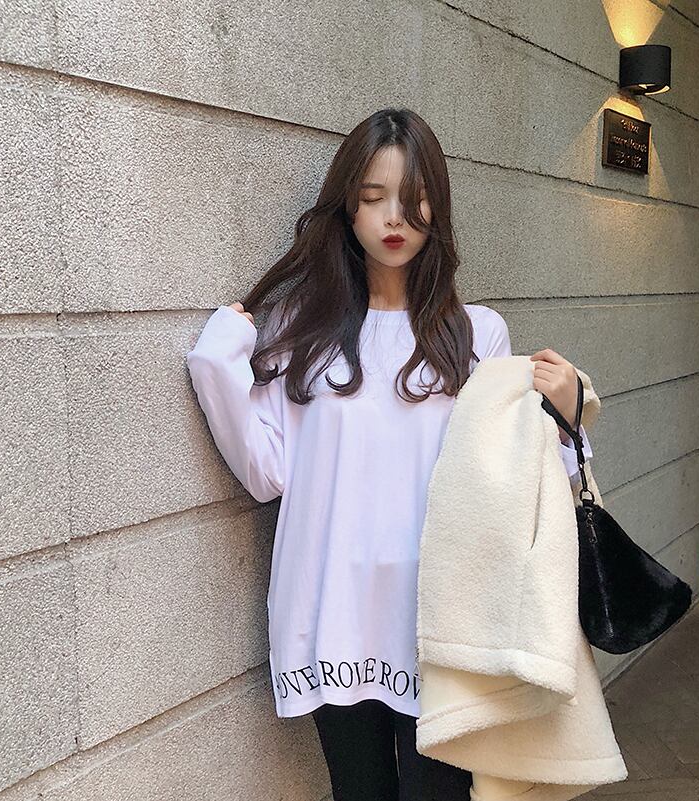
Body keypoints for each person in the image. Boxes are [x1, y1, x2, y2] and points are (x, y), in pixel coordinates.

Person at [186, 108, 593, 801]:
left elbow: (517, 484)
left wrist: (566, 418)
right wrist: (217, 357)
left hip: (444, 619)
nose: (393, 218)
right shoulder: (301, 328)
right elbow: (264, 471)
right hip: (334, 611)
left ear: (438, 206)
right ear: (347, 208)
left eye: (412, 198)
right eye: (373, 197)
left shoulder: (475, 335)